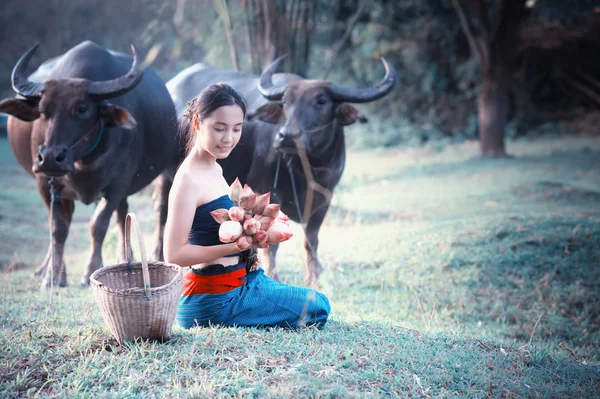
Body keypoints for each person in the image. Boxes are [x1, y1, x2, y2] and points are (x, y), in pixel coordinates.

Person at [163, 83, 330, 329]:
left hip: (241, 283)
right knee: (318, 305)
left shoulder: (214, 167)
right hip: (215, 300)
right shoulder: (188, 178)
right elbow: (174, 255)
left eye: (236, 129)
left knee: (315, 300)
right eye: (219, 129)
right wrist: (236, 246)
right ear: (197, 123)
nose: (228, 138)